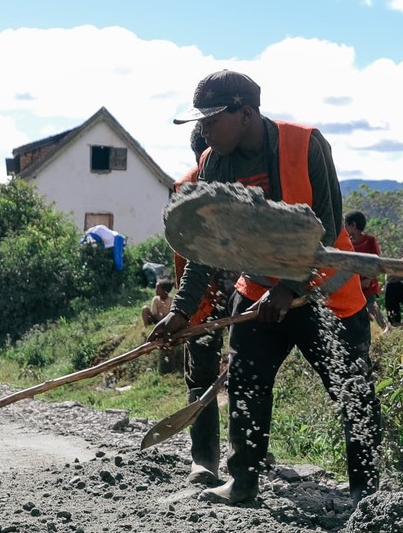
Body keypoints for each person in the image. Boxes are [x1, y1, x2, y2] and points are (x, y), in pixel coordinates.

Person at [153, 70, 382, 506]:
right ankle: (243, 481)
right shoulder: (213, 164)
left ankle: (365, 495)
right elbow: (207, 246)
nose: (203, 130)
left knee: (352, 390)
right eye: (199, 122)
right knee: (245, 385)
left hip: (324, 292)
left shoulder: (304, 144)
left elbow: (329, 224)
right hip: (259, 291)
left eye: (212, 120)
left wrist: (291, 286)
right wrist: (181, 310)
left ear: (247, 113)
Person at [166, 123, 233, 487]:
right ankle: (207, 460)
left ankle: (235, 457)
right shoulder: (187, 188)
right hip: (206, 295)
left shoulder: (244, 183)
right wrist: (185, 309)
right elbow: (187, 255)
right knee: (210, 374)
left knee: (244, 371)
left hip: (246, 292)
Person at [345, 210, 384, 322]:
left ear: (353, 225)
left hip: (368, 282)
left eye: (346, 225)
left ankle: (385, 328)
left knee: (371, 306)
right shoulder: (347, 242)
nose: (344, 228)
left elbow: (376, 261)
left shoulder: (370, 240)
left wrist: (368, 279)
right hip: (353, 282)